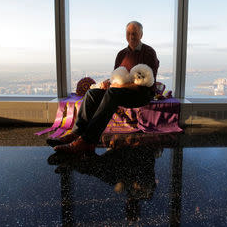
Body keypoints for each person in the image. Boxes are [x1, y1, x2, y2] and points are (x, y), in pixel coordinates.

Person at [47, 21, 160, 153]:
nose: (131, 36)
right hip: (120, 91)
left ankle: (87, 141)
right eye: (128, 33)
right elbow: (117, 77)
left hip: (141, 94)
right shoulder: (121, 54)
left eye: (134, 33)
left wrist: (120, 85)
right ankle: (76, 133)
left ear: (141, 34)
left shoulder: (149, 52)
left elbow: (148, 82)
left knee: (113, 93)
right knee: (92, 93)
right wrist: (108, 83)